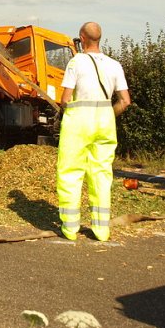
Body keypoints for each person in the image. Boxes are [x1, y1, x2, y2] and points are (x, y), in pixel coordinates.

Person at [56, 21, 131, 242]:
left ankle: (70, 229)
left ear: (82, 37)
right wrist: (107, 115)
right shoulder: (115, 65)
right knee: (102, 174)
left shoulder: (76, 62)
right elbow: (125, 101)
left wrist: (68, 110)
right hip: (106, 123)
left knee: (70, 172)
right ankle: (101, 230)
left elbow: (65, 99)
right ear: (100, 38)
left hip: (78, 123)